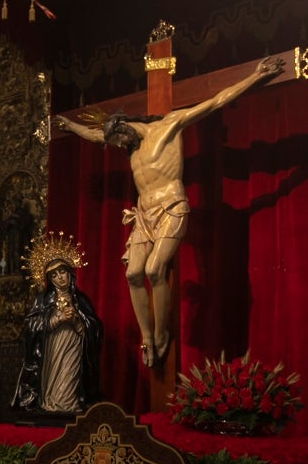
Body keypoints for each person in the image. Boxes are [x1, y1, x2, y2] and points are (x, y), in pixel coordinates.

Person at [55, 56, 283, 367]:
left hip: (171, 206)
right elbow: (97, 136)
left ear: (125, 125)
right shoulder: (128, 144)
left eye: (119, 139)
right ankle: (147, 336)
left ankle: (161, 334)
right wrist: (71, 126)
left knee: (153, 270)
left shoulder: (169, 125)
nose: (120, 146)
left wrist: (255, 76)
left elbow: (216, 101)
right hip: (144, 213)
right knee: (133, 273)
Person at [13, 233, 103, 414]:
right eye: (54, 275)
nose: (60, 277)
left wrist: (77, 321)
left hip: (73, 347)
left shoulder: (81, 300)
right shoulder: (42, 300)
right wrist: (55, 320)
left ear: (69, 272)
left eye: (62, 272)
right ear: (50, 279)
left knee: (69, 379)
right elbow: (30, 327)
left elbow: (95, 329)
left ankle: (68, 407)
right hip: (51, 348)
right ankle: (50, 406)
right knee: (53, 382)